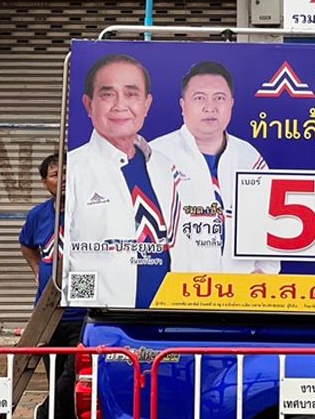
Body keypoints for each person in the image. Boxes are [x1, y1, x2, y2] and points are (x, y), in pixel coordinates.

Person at [65, 53, 194, 308]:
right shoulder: (74, 169)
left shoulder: (164, 166)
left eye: (131, 94)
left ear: (147, 104)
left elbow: (182, 244)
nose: (120, 105)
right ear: (88, 104)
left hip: (167, 318)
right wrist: (83, 310)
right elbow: (65, 256)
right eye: (107, 94)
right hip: (107, 323)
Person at [151, 61, 280, 274]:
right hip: (177, 294)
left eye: (219, 98)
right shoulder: (157, 155)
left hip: (240, 292)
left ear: (231, 104)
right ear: (183, 105)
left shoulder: (249, 157)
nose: (210, 107)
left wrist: (264, 273)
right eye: (199, 98)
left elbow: (269, 223)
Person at [19, 154, 85, 419]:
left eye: (69, 173)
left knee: (74, 373)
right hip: (48, 314)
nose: (64, 179)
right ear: (45, 182)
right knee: (56, 373)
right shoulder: (38, 215)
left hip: (82, 312)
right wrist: (37, 268)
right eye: (57, 174)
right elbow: (26, 244)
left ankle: (46, 413)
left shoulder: (92, 210)